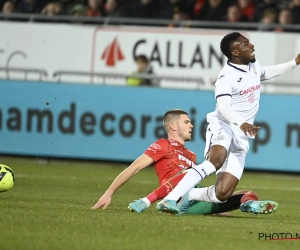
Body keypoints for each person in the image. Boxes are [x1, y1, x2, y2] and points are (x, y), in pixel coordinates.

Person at [157, 32, 300, 215]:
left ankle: (191, 194)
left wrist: (293, 63)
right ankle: (170, 199)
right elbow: (224, 107)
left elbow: (264, 73)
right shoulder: (226, 77)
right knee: (215, 160)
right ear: (235, 51)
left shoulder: (253, 65)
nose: (252, 46)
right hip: (224, 125)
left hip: (241, 135)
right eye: (246, 44)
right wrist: (242, 123)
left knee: (222, 194)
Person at [92, 109, 195, 210]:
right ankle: (149, 200)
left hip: (192, 198)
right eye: (186, 122)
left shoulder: (191, 155)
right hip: (176, 198)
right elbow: (134, 168)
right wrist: (108, 193)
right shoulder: (164, 145)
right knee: (192, 172)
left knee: (210, 192)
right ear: (173, 126)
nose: (191, 125)